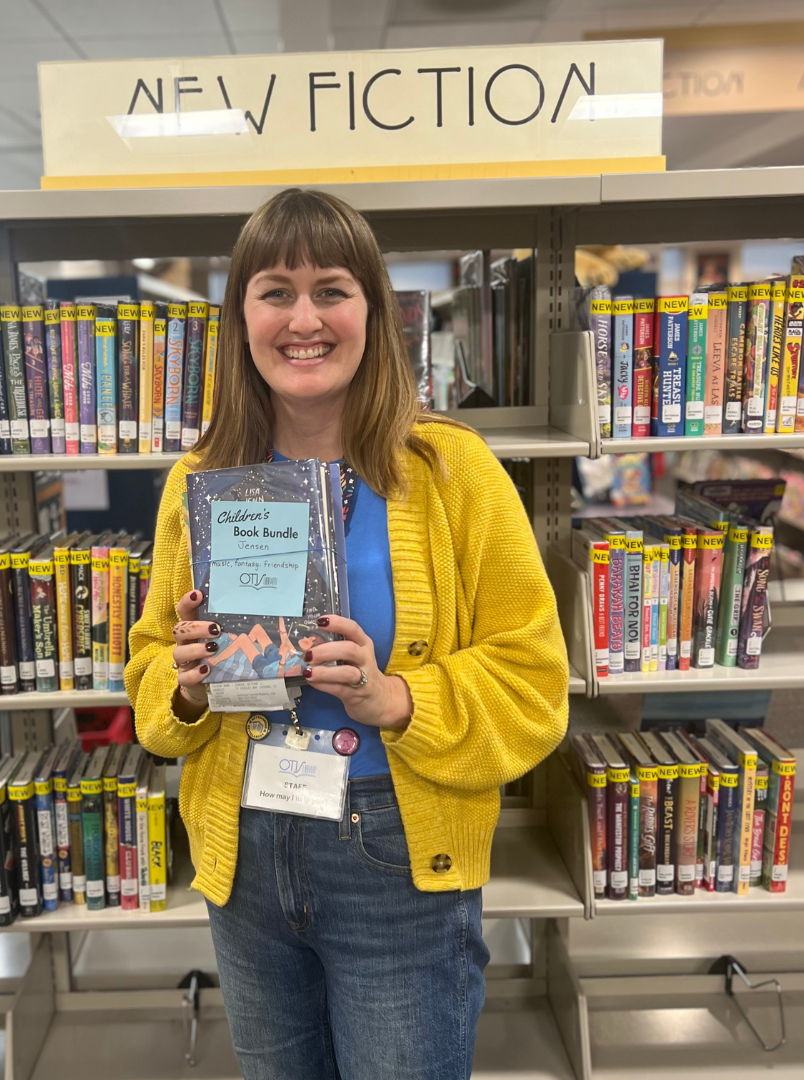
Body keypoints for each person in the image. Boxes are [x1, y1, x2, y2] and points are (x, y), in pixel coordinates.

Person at [125, 188, 569, 1080]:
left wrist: (397, 696)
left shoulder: (453, 471)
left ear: (373, 310)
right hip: (245, 852)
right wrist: (185, 684)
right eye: (274, 291)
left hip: (396, 857)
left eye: (331, 289)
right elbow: (145, 674)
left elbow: (534, 681)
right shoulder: (201, 481)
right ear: (239, 317)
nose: (304, 319)